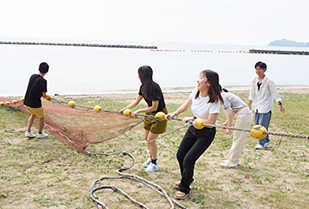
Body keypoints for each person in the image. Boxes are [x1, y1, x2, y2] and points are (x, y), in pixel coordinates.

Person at [165, 69, 223, 200]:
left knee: (189, 159)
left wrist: (192, 119)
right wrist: (174, 113)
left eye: (201, 78)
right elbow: (187, 104)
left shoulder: (213, 100)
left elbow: (211, 123)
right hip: (193, 129)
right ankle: (187, 179)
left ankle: (184, 188)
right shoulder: (196, 91)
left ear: (209, 83)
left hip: (206, 133)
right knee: (180, 155)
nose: (198, 80)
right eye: (199, 77)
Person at [119, 65, 168, 172]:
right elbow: (136, 101)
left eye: (138, 74)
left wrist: (139, 111)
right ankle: (152, 158)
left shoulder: (155, 87)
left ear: (142, 75)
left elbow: (155, 107)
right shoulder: (142, 87)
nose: (137, 76)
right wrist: (124, 109)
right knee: (147, 139)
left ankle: (154, 163)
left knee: (151, 139)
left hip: (159, 115)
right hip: (149, 114)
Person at [248, 61, 285, 149]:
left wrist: (280, 104)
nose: (258, 71)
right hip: (256, 106)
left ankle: (261, 143)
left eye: (259, 69)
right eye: (256, 69)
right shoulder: (253, 80)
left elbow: (275, 93)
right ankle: (266, 140)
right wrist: (249, 104)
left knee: (262, 126)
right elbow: (252, 93)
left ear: (264, 69)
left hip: (265, 107)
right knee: (257, 125)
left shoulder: (269, 81)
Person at [220, 87, 253, 168]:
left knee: (237, 139)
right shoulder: (225, 95)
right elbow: (234, 110)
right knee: (239, 139)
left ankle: (232, 162)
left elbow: (230, 111)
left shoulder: (222, 96)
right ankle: (233, 160)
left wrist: (229, 128)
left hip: (244, 114)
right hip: (245, 114)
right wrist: (226, 123)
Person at [24, 62, 49, 139]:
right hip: (35, 104)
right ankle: (40, 133)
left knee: (33, 114)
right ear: (47, 71)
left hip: (26, 102)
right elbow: (43, 94)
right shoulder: (43, 81)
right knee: (41, 117)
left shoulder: (33, 76)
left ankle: (28, 132)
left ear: (38, 69)